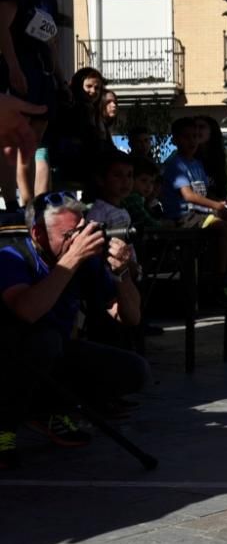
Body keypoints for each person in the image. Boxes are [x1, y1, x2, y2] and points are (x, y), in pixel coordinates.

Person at [0, 191, 149, 469]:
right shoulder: (12, 257)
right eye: (69, 234)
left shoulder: (85, 263)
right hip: (9, 358)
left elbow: (130, 317)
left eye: (81, 231)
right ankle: (4, 426)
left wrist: (122, 274)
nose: (78, 241)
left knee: (133, 370)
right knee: (45, 341)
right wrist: (72, 259)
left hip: (52, 354)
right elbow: (27, 311)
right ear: (38, 234)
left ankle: (46, 411)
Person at [0, 0, 66, 204]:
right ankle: (14, 201)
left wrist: (60, 79)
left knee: (34, 143)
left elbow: (51, 41)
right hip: (18, 67)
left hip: (42, 74)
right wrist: (14, 68)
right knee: (11, 141)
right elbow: (1, 26)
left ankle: (32, 201)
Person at [162, 117, 227, 299]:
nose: (192, 141)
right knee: (223, 228)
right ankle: (219, 275)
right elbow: (189, 195)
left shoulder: (197, 164)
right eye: (186, 137)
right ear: (175, 140)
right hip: (184, 215)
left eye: (194, 137)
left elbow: (205, 193)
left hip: (200, 212)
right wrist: (217, 206)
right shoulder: (176, 164)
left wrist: (223, 205)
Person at [193, 115, 227, 201]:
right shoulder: (189, 158)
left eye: (201, 127)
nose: (197, 131)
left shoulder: (222, 158)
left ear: (212, 131)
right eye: (194, 127)